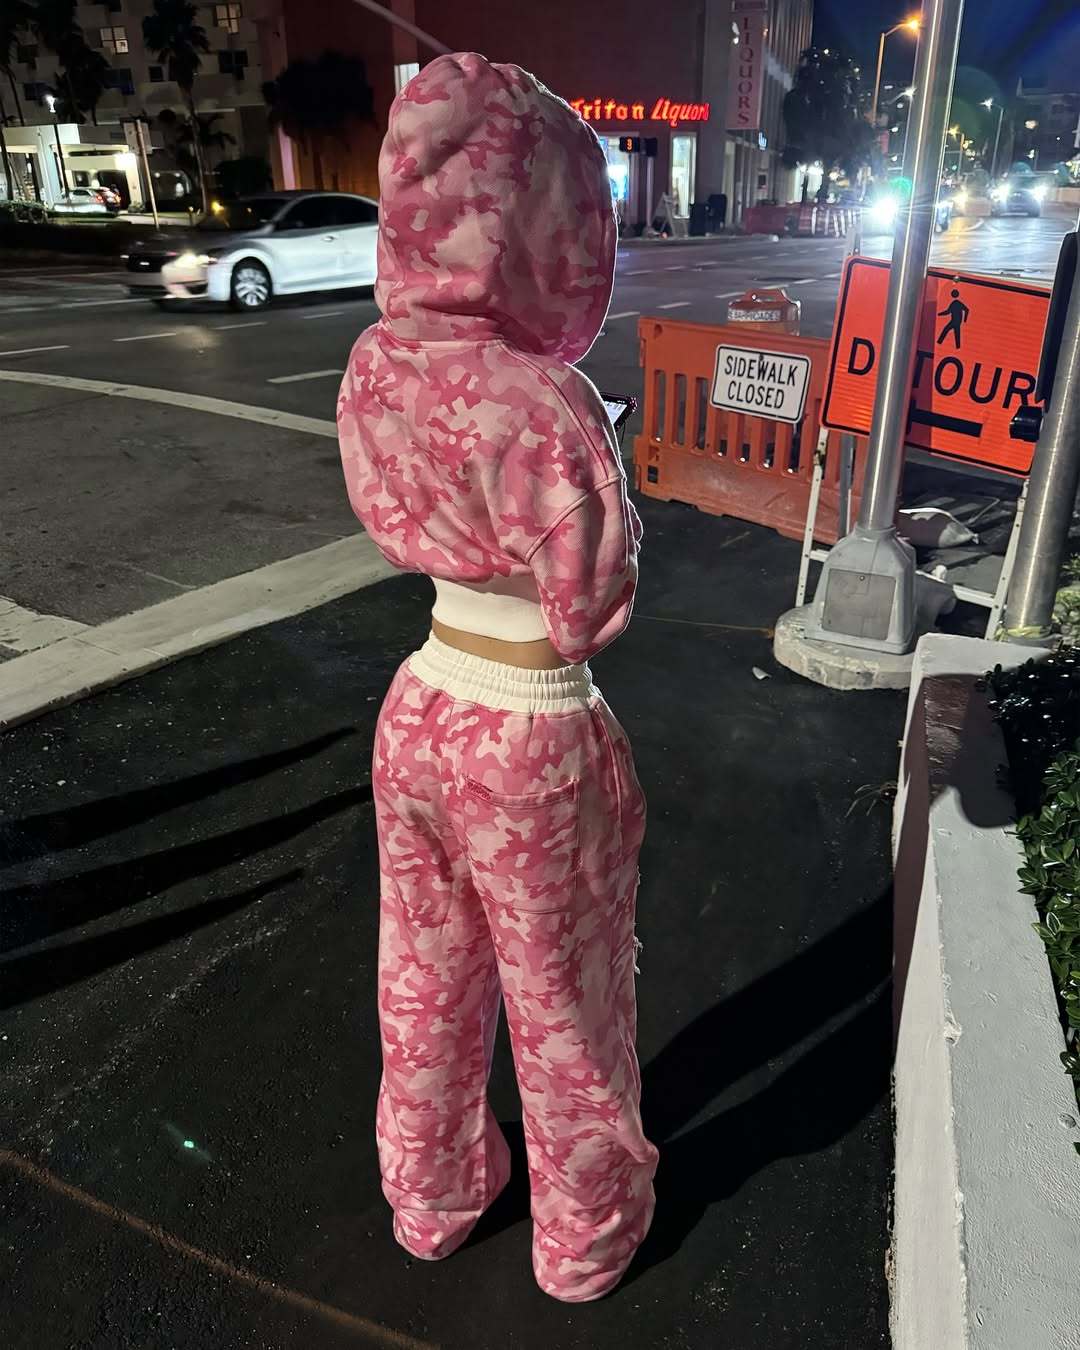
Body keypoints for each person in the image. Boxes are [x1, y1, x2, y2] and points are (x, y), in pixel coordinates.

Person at [336, 52, 658, 1305]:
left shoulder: (374, 365)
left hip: (421, 702)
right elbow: (589, 614)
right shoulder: (546, 402)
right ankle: (585, 1237)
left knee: (423, 980)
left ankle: (431, 1196)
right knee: (565, 1006)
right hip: (531, 736)